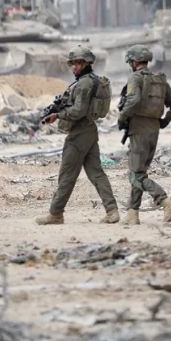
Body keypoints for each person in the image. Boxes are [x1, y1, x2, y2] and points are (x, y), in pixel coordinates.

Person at [36, 46, 120, 225]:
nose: (74, 67)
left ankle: (56, 213)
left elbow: (78, 111)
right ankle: (112, 211)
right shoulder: (89, 80)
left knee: (66, 174)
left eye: (78, 63)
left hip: (80, 132)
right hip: (89, 130)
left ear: (87, 63)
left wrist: (58, 115)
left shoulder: (83, 84)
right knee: (96, 173)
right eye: (72, 64)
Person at [118, 45, 171, 225]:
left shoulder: (135, 78)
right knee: (138, 171)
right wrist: (165, 120)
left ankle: (165, 201)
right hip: (153, 130)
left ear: (134, 61)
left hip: (138, 129)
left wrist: (122, 117)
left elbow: (133, 100)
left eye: (130, 61)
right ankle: (133, 213)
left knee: (136, 175)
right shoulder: (159, 80)